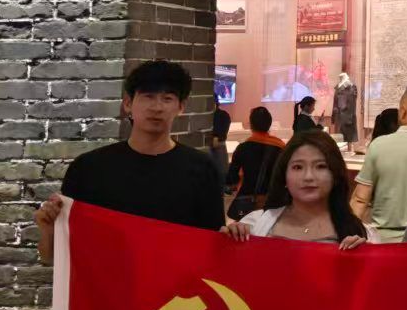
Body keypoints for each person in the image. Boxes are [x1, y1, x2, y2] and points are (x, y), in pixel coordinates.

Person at [34, 60, 222, 264]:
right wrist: (49, 229)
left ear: (181, 107)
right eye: (148, 96)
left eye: (167, 98)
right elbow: (53, 257)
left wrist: (234, 237)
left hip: (174, 283)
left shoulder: (202, 169)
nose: (157, 107)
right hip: (108, 282)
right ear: (128, 103)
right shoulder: (88, 168)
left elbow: (212, 249)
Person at [222, 131, 371, 250]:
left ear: (335, 175)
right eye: (298, 167)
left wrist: (365, 257)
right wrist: (227, 243)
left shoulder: (360, 233)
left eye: (320, 166)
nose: (308, 176)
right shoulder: (255, 225)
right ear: (284, 176)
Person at [351, 82, 407, 242]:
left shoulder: (378, 145)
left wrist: (349, 234)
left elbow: (360, 200)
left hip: (382, 242)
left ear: (402, 111)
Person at [224, 106, 287, 220]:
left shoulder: (243, 148)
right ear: (269, 124)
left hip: (247, 203)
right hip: (274, 203)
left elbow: (231, 178)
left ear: (251, 125)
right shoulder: (281, 148)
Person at [332, 72, 359, 152]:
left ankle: (349, 150)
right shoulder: (338, 87)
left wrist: (349, 116)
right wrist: (333, 115)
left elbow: (352, 103)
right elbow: (335, 103)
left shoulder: (351, 87)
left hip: (347, 116)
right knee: (340, 137)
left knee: (348, 137)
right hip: (339, 115)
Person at [209, 102, 232, 184]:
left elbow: (223, 133)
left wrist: (216, 138)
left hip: (218, 145)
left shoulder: (224, 115)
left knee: (221, 174)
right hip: (213, 145)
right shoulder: (224, 115)